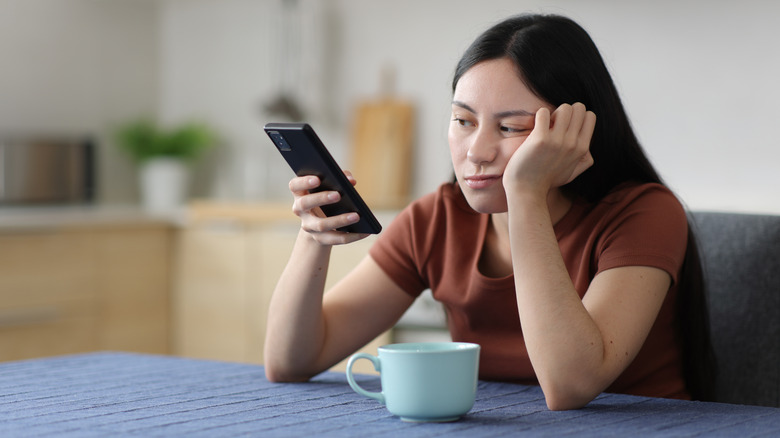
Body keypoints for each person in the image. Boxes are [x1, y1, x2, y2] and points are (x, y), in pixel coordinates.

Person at [263, 13, 715, 411]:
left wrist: (525, 194)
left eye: (510, 127)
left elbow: (571, 386)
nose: (476, 152)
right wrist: (313, 236)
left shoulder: (645, 213)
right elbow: (291, 361)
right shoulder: (437, 220)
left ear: (576, 132)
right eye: (463, 121)